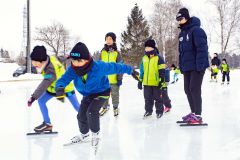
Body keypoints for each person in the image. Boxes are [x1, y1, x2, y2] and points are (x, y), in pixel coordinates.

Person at [55, 42, 139, 147]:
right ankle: (84, 134)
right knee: (81, 115)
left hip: (102, 92)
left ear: (86, 60)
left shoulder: (98, 67)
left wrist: (131, 71)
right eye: (73, 60)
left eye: (79, 61)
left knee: (91, 112)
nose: (75, 64)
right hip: (88, 94)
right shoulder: (73, 70)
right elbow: (63, 79)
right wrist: (59, 87)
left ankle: (96, 134)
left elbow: (116, 67)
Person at [27, 46, 80, 132]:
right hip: (53, 89)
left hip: (65, 88)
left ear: (42, 60)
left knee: (77, 106)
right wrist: (68, 56)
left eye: (36, 62)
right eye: (33, 61)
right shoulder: (51, 58)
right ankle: (47, 124)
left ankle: (89, 118)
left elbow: (44, 85)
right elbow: (60, 58)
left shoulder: (50, 71)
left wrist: (33, 97)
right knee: (41, 101)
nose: (33, 64)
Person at [176, 7, 209, 124]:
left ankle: (198, 115)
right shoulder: (182, 33)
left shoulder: (196, 30)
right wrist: (181, 65)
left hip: (197, 65)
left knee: (194, 89)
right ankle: (194, 112)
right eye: (177, 19)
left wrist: (200, 65)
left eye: (181, 18)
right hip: (187, 67)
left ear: (187, 17)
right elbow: (182, 52)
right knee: (187, 89)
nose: (179, 21)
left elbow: (202, 49)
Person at [138, 39, 166, 119]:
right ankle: (148, 111)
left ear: (153, 47)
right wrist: (140, 81)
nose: (146, 49)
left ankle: (159, 111)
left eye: (148, 47)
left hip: (156, 82)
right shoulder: (144, 58)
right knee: (147, 98)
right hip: (146, 83)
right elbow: (142, 71)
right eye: (146, 47)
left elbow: (162, 70)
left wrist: (161, 80)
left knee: (158, 98)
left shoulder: (159, 58)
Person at [98, 32, 123, 117]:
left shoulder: (117, 53)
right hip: (104, 79)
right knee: (104, 95)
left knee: (115, 94)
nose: (108, 41)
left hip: (114, 79)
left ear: (114, 41)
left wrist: (119, 78)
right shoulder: (102, 52)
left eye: (110, 39)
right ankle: (105, 107)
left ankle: (115, 107)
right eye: (107, 39)